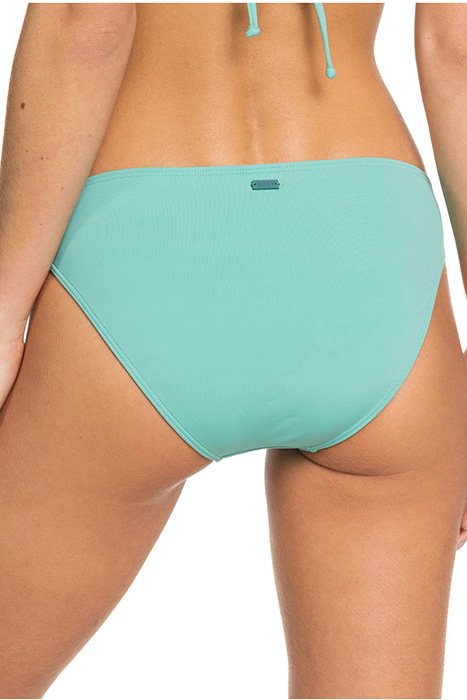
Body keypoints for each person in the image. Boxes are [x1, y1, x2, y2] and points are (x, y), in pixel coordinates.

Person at [0, 3, 466, 697]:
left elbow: (84, 22)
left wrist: (6, 306)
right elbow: (456, 46)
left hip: (152, 242)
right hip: (371, 246)